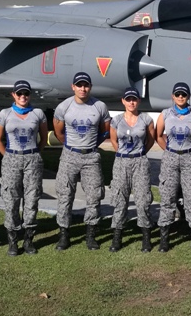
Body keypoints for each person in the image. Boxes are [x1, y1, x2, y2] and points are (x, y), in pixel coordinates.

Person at [53, 72, 111, 251]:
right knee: (65, 194)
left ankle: (91, 235)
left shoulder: (99, 106)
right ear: (73, 87)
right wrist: (72, 146)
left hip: (91, 157)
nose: (82, 88)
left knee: (94, 195)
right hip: (70, 155)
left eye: (86, 85)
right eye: (79, 85)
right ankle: (64, 234)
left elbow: (105, 130)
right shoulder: (64, 106)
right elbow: (58, 131)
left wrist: (90, 146)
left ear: (90, 87)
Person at [0, 80, 48, 256]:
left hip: (32, 158)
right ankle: (13, 240)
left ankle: (28, 239)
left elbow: (43, 137)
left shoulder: (38, 113)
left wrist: (35, 154)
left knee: (32, 199)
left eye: (26, 94)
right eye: (19, 94)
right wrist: (8, 156)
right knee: (11, 199)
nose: (23, 97)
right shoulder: (5, 113)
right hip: (12, 158)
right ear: (13, 95)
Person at [154, 81, 191, 253]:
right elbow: (158, 135)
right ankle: (164, 239)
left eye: (184, 94)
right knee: (168, 197)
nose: (181, 97)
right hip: (170, 158)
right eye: (178, 94)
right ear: (173, 96)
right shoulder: (165, 114)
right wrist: (169, 151)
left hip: (190, 158)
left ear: (188, 96)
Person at [108, 87, 156, 253]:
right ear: (123, 101)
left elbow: (150, 139)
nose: (131, 102)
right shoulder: (116, 120)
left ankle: (146, 236)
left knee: (143, 199)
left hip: (140, 161)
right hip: (122, 162)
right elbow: (114, 140)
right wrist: (123, 154)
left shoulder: (146, 119)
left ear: (138, 101)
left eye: (134, 99)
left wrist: (139, 154)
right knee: (120, 199)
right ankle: (117, 235)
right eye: (128, 99)